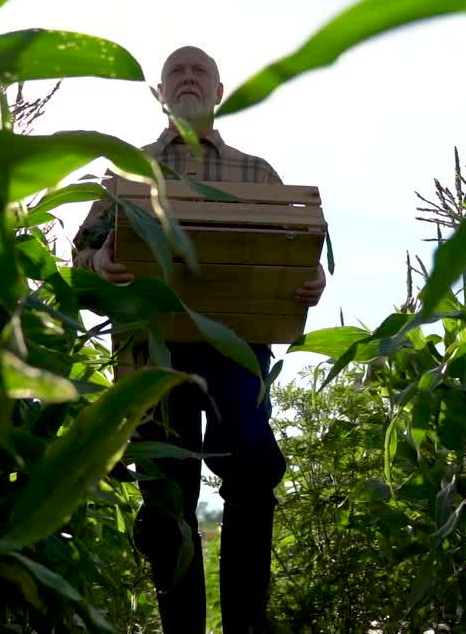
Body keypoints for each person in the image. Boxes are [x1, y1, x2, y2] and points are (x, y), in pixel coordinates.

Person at [72, 45, 326, 634]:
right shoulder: (127, 171)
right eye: (175, 73)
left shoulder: (256, 173)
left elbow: (295, 253)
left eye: (199, 72)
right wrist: (99, 263)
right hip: (154, 355)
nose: (187, 79)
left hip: (237, 351)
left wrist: (311, 278)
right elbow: (80, 256)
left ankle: (244, 626)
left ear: (217, 92)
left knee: (252, 477)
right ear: (161, 94)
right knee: (168, 497)